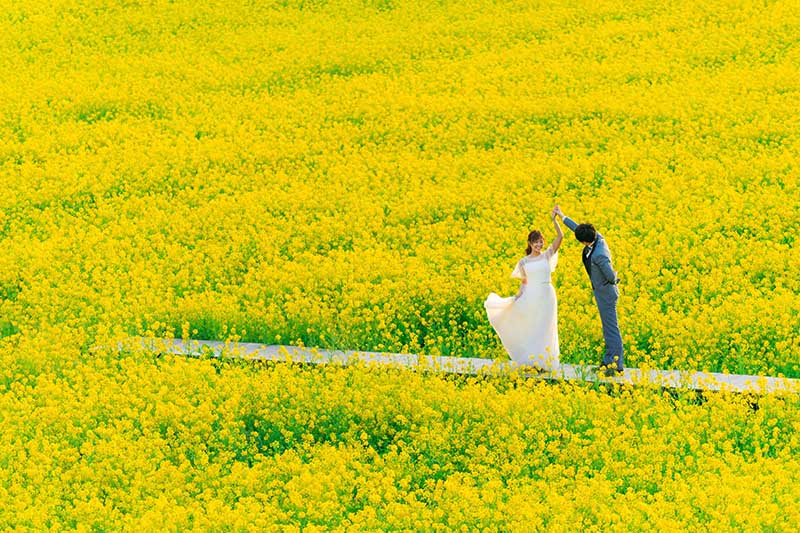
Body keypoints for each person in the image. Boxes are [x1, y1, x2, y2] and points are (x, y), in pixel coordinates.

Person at [484, 211, 563, 371]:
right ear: (529, 243)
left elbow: (560, 237)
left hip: (547, 296)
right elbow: (524, 282)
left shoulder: (547, 255)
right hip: (531, 296)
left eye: (540, 242)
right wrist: (517, 296)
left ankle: (545, 362)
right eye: (536, 242)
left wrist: (555, 220)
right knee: (532, 327)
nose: (539, 245)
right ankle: (532, 360)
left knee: (546, 328)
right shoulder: (523, 262)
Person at [553, 205, 624, 376]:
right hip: (603, 292)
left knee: (611, 329)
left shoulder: (599, 254)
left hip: (606, 294)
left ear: (584, 242)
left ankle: (615, 365)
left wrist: (615, 278)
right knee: (608, 328)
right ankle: (609, 362)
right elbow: (578, 229)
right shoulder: (596, 236)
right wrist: (562, 216)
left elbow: (609, 275)